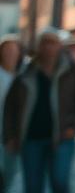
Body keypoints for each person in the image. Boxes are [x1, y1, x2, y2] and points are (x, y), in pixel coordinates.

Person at [2, 28, 75, 193]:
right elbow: (10, 106)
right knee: (33, 186)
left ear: (60, 46)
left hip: (62, 136)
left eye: (53, 43)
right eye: (44, 43)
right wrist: (10, 135)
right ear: (38, 46)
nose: (48, 48)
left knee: (59, 182)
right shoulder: (26, 71)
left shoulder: (71, 70)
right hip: (31, 138)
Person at [0, 36, 24, 193]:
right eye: (7, 50)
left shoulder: (25, 76)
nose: (10, 54)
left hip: (12, 135)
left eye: (14, 51)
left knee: (9, 174)